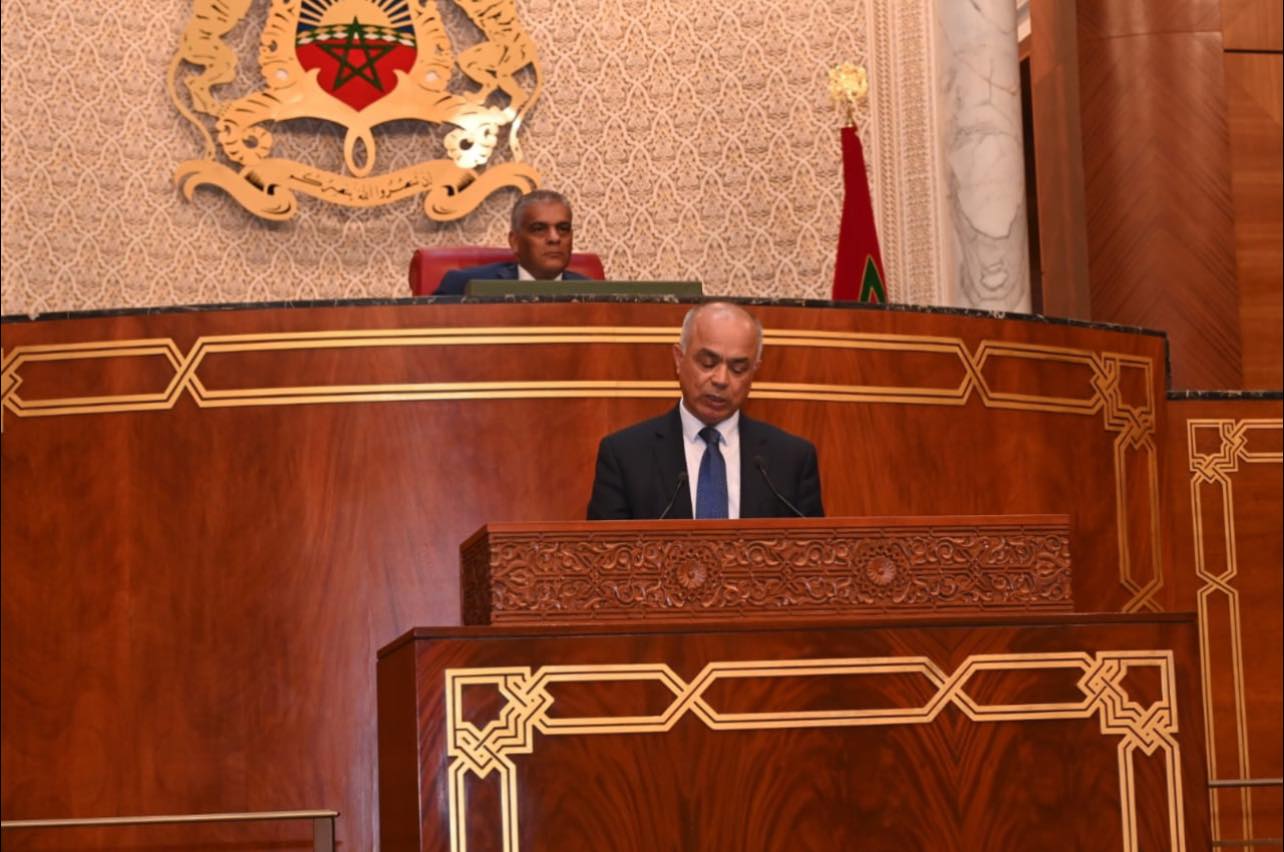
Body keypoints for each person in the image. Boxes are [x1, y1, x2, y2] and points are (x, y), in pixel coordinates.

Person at [587, 302, 824, 520]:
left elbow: (814, 549)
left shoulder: (791, 460)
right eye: (708, 363)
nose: (721, 380)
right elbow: (604, 550)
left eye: (738, 369)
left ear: (754, 372)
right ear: (678, 359)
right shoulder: (625, 456)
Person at [434, 189, 590, 295]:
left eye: (563, 228)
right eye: (539, 229)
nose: (555, 238)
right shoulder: (464, 286)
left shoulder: (593, 293)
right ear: (514, 241)